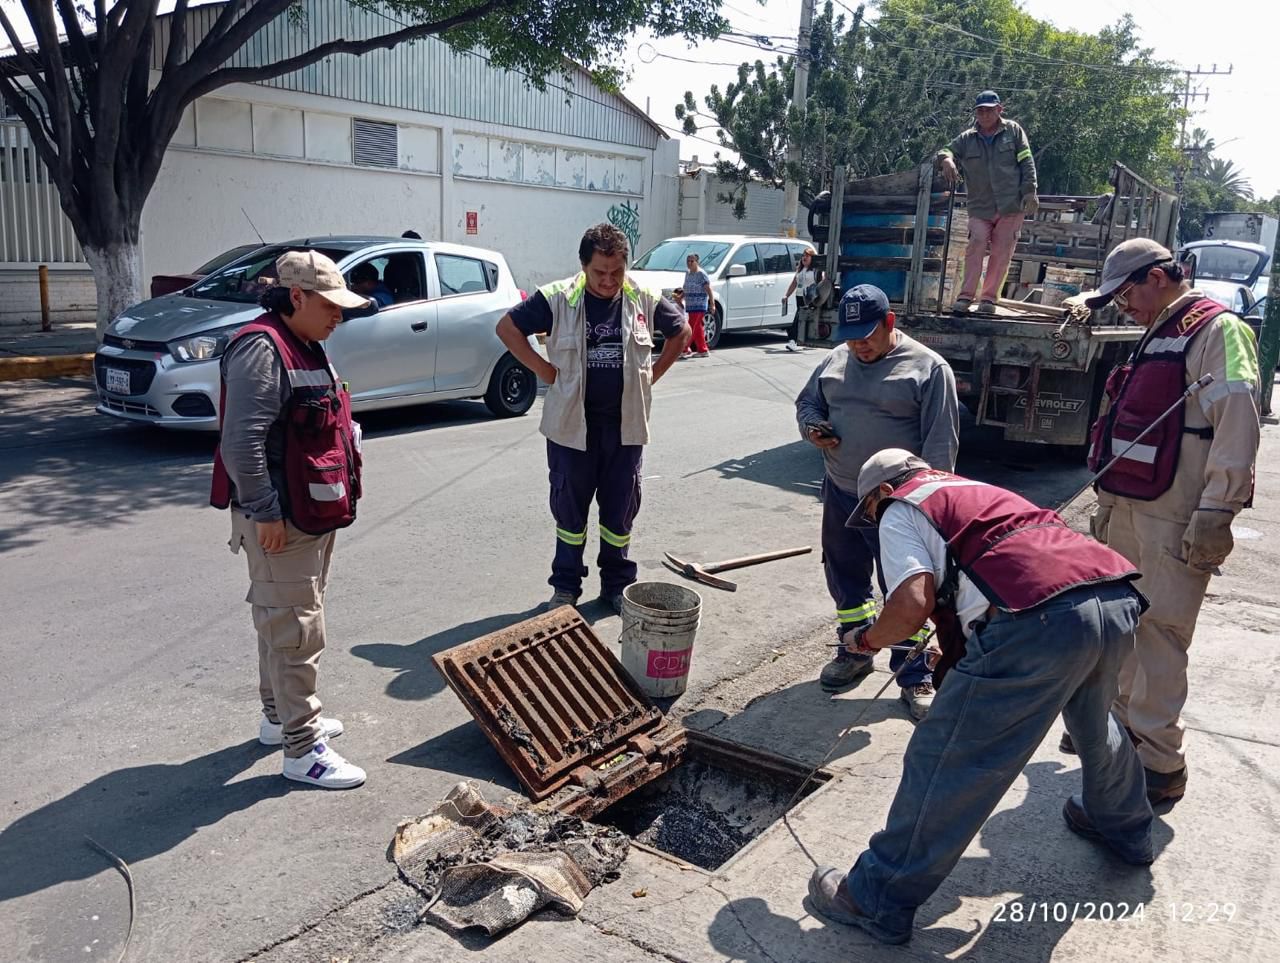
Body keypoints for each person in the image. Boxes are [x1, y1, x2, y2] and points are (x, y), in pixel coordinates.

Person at [808, 449, 1152, 945]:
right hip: (1111, 597)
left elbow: (908, 606)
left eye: (870, 511)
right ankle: (1126, 827)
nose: (874, 519)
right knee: (1094, 722)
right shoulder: (973, 490)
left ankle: (875, 895)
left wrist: (866, 640)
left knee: (946, 756)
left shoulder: (902, 506)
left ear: (883, 491)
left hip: (1038, 620)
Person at [1069, 237, 1261, 805]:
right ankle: (1125, 733)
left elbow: (1238, 417)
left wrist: (1217, 509)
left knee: (1160, 636)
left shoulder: (1219, 329)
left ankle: (1158, 766)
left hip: (1173, 516)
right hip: (1129, 508)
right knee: (1127, 627)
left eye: (1126, 292)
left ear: (1159, 275)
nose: (1123, 305)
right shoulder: (1159, 330)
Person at [209, 251, 370, 790]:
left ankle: (279, 718)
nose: (338, 316)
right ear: (296, 296)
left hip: (309, 514)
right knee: (297, 630)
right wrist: (265, 513)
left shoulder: (304, 342)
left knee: (282, 620)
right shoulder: (261, 348)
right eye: (329, 305)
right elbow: (241, 443)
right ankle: (303, 750)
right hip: (282, 518)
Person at [496, 223, 691, 613]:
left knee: (619, 515)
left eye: (616, 272)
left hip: (625, 430)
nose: (608, 281)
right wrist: (545, 373)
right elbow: (507, 328)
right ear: (584, 266)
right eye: (600, 272)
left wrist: (652, 376)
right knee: (570, 514)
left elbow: (682, 332)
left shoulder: (642, 297)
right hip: (571, 430)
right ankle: (565, 589)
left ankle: (617, 587)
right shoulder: (558, 298)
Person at [794, 285, 959, 718]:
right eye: (850, 336)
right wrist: (812, 428)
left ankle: (913, 669)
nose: (858, 345)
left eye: (867, 335)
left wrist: (930, 513)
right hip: (842, 491)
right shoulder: (836, 360)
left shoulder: (928, 369)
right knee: (846, 578)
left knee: (906, 588)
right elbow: (808, 403)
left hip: (898, 506)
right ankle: (854, 649)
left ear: (890, 322)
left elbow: (941, 446)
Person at [937, 90, 1038, 313]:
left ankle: (989, 299)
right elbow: (945, 150)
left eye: (989, 110)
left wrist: (1030, 191)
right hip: (980, 206)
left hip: (1011, 205)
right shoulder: (967, 138)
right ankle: (965, 297)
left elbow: (1026, 161)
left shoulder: (1013, 131)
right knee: (976, 244)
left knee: (1001, 252)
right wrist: (947, 160)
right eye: (980, 111)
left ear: (999, 110)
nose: (984, 115)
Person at [782, 247, 821, 352]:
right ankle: (797, 340)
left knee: (798, 318)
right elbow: (794, 283)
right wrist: (786, 295)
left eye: (807, 256)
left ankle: (792, 340)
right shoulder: (800, 269)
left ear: (812, 258)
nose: (804, 258)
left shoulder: (816, 270)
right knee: (800, 318)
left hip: (809, 297)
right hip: (799, 296)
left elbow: (821, 284)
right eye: (803, 255)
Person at [681, 252, 716, 358]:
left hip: (700, 304)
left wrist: (712, 304)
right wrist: (681, 297)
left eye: (692, 261)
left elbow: (709, 290)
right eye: (688, 261)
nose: (689, 263)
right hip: (690, 305)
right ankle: (702, 349)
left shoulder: (701, 274)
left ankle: (684, 348)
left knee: (691, 327)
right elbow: (686, 288)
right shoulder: (687, 273)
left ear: (697, 262)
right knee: (697, 328)